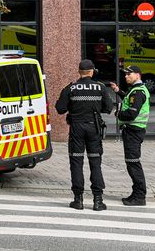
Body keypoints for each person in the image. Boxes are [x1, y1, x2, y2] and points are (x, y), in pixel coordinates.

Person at [55, 59, 115, 211]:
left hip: (76, 128)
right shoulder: (100, 87)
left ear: (79, 72)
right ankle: (98, 200)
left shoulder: (71, 87)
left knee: (76, 162)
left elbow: (60, 108)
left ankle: (78, 200)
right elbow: (108, 108)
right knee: (95, 162)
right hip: (93, 127)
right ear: (92, 72)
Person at [109, 65, 150, 206]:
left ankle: (139, 196)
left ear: (138, 75)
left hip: (133, 131)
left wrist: (118, 113)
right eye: (125, 74)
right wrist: (118, 91)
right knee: (132, 162)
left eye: (129, 74)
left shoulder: (138, 92)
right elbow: (128, 99)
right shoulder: (136, 90)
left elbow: (131, 113)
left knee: (133, 163)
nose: (126, 76)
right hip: (133, 131)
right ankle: (137, 193)